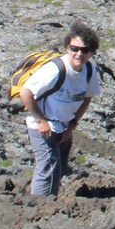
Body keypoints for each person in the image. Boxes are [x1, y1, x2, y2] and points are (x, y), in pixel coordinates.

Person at [18, 22, 101, 196]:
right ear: (66, 48)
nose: (79, 54)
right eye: (74, 48)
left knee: (59, 169)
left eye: (85, 50)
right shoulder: (55, 70)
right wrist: (42, 121)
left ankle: (50, 205)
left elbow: (87, 98)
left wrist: (72, 124)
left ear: (91, 52)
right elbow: (26, 93)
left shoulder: (89, 69)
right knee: (48, 167)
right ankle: (37, 208)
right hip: (43, 126)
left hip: (64, 126)